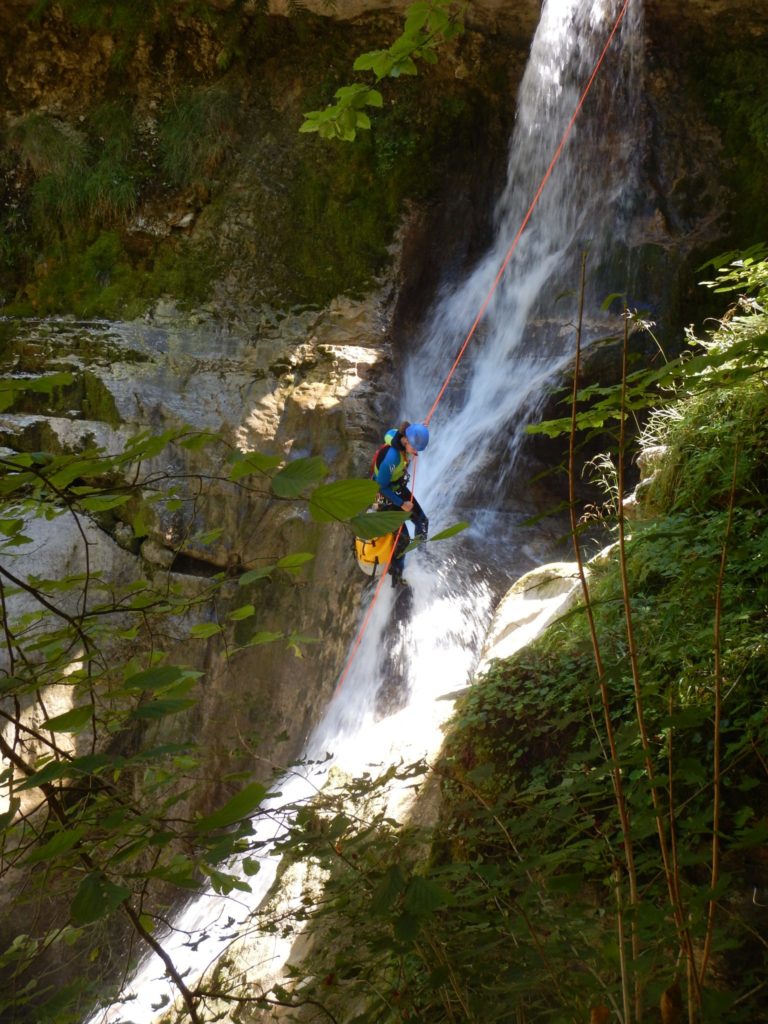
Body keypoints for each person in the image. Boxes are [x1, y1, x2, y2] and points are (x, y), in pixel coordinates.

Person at [371, 421, 429, 587]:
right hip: (383, 494)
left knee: (422, 521)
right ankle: (396, 577)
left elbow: (413, 432)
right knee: (402, 539)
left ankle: (422, 557)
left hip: (396, 486)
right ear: (406, 440)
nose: (416, 453)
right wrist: (401, 503)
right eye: (415, 448)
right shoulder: (392, 457)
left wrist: (421, 429)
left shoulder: (407, 436)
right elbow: (380, 486)